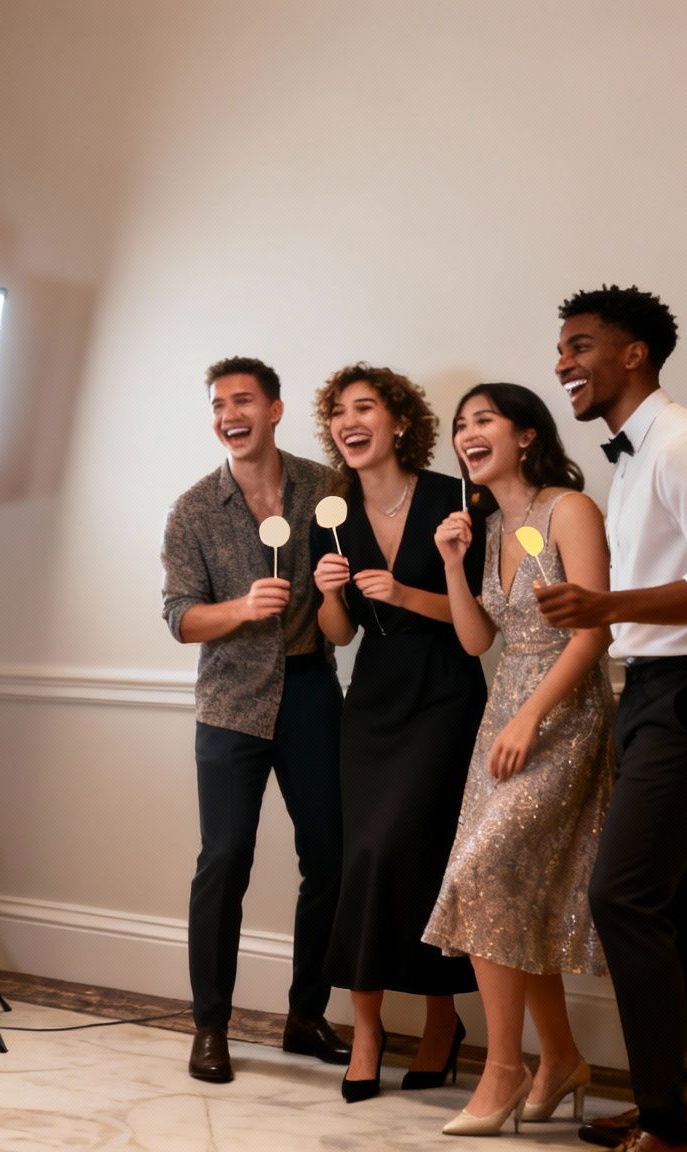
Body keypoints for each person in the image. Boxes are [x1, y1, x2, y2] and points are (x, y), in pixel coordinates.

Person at [536, 286, 687, 1152]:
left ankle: (672, 1128)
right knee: (684, 902)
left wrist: (606, 605)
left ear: (633, 353)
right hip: (654, 690)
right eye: (561, 347)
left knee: (623, 897)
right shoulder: (634, 456)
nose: (562, 362)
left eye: (579, 345)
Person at [423, 383, 615, 1137]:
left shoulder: (570, 509)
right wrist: (451, 562)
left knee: (483, 874)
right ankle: (559, 1057)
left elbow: (594, 631)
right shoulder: (490, 525)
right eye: (460, 426)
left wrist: (533, 716)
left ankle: (504, 1069)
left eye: (484, 420)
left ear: (527, 434)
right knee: (516, 891)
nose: (467, 434)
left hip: (561, 717)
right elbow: (478, 641)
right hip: (500, 717)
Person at [161, 355, 351, 1083]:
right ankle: (210, 1026)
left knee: (330, 859)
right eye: (217, 405)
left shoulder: (326, 490)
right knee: (224, 861)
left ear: (274, 409)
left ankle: (306, 1016)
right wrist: (241, 608)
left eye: (241, 401)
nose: (228, 415)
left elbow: (344, 615)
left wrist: (333, 593)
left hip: (311, 692)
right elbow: (180, 618)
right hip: (230, 702)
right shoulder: (192, 509)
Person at [309, 363, 484, 1102]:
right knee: (365, 859)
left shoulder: (455, 498)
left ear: (401, 421)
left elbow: (482, 620)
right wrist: (326, 595)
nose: (349, 422)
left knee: (426, 858)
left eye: (365, 408)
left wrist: (407, 592)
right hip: (373, 699)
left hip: (445, 694)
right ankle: (367, 1029)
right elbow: (339, 634)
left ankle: (442, 1023)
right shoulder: (332, 513)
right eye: (338, 413)